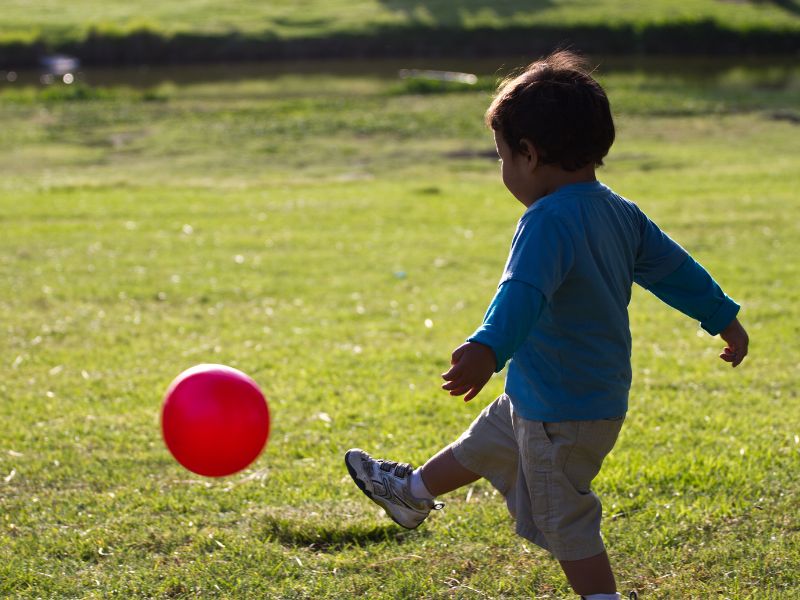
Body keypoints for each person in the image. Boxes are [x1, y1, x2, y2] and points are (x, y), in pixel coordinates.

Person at [345, 49, 749, 600]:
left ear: (529, 154)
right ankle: (411, 492)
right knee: (490, 440)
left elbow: (523, 294)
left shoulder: (546, 220)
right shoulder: (618, 211)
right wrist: (722, 316)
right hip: (573, 395)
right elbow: (676, 270)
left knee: (566, 520)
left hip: (562, 409)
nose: (504, 169)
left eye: (503, 157)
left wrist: (488, 348)